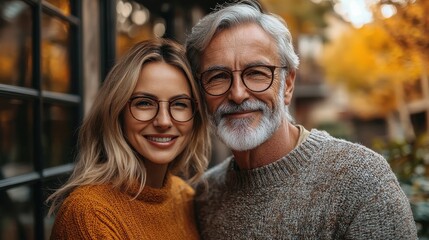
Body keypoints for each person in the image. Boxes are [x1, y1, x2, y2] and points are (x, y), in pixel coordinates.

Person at [185, 0, 418, 239]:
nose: (237, 94)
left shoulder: (361, 181)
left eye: (256, 73)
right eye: (218, 77)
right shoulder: (205, 195)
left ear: (287, 84)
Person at [47, 38, 211, 239]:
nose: (163, 121)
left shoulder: (185, 197)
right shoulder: (90, 214)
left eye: (179, 104)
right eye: (144, 103)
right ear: (117, 113)